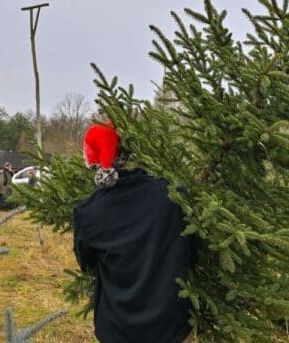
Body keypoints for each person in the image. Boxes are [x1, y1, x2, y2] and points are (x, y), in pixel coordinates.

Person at [73, 122, 197, 343]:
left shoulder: (88, 211)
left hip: (117, 329)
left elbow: (86, 263)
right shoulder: (175, 195)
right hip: (172, 328)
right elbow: (194, 253)